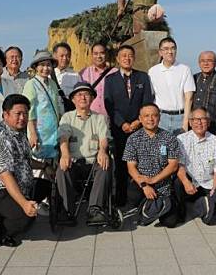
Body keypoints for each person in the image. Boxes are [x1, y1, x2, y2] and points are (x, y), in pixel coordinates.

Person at [0, 94, 46, 247]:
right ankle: (3, 229)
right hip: (0, 191)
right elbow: (6, 176)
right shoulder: (0, 139)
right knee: (25, 217)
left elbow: (25, 160)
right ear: (5, 114)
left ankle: (14, 212)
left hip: (22, 184)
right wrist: (24, 204)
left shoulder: (19, 132)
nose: (22, 118)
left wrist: (45, 166)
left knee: (47, 186)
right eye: (18, 114)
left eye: (25, 114)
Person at [104, 44, 155, 205]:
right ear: (118, 59)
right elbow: (109, 105)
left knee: (142, 162)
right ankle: (120, 197)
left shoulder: (143, 77)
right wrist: (122, 124)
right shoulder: (110, 80)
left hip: (140, 127)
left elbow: (147, 101)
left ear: (134, 58)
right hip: (120, 129)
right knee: (120, 163)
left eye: (130, 55)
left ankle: (141, 196)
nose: (127, 58)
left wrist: (138, 122)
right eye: (123, 55)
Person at [56, 82, 112, 226]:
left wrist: (102, 151)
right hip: (74, 161)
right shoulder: (67, 117)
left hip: (93, 162)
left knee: (105, 164)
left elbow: (104, 138)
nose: (83, 97)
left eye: (86, 94)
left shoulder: (100, 118)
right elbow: (63, 137)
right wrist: (65, 154)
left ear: (92, 98)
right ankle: (66, 210)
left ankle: (95, 209)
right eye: (79, 94)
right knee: (62, 169)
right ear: (73, 99)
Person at [122, 103, 181, 228]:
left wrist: (153, 180)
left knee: (170, 222)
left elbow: (173, 166)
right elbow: (131, 167)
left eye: (154, 115)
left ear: (159, 117)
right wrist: (145, 185)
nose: (150, 119)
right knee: (133, 197)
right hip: (141, 184)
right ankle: (149, 206)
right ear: (140, 118)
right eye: (146, 116)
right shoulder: (133, 139)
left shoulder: (169, 138)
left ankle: (158, 206)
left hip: (163, 184)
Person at [174, 108, 216, 223]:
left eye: (203, 119)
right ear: (190, 123)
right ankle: (186, 209)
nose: (199, 122)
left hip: (209, 183)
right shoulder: (182, 139)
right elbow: (179, 165)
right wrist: (186, 182)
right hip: (191, 183)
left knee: (210, 220)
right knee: (177, 182)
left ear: (209, 122)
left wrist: (215, 189)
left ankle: (201, 205)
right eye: (195, 119)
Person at [148, 37, 195, 135]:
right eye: (166, 49)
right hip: (160, 118)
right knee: (161, 149)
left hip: (180, 117)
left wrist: (185, 122)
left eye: (173, 48)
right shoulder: (153, 71)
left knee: (180, 149)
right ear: (160, 52)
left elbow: (189, 97)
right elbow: (150, 96)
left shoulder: (185, 69)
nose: (170, 52)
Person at [23, 51, 63, 162]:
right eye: (42, 65)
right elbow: (29, 111)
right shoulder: (31, 84)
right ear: (36, 67)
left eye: (48, 65)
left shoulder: (53, 84)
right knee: (38, 164)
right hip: (39, 132)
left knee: (53, 161)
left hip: (53, 130)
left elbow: (57, 106)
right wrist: (33, 133)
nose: (46, 68)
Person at [79, 43, 117, 117]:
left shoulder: (115, 72)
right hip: (90, 118)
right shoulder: (84, 73)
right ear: (91, 55)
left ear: (106, 54)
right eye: (95, 54)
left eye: (102, 53)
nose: (99, 56)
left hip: (111, 118)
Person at [52, 42, 82, 111]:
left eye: (68, 56)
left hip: (69, 115)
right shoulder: (47, 74)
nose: (65, 58)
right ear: (54, 56)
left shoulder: (75, 76)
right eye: (62, 56)